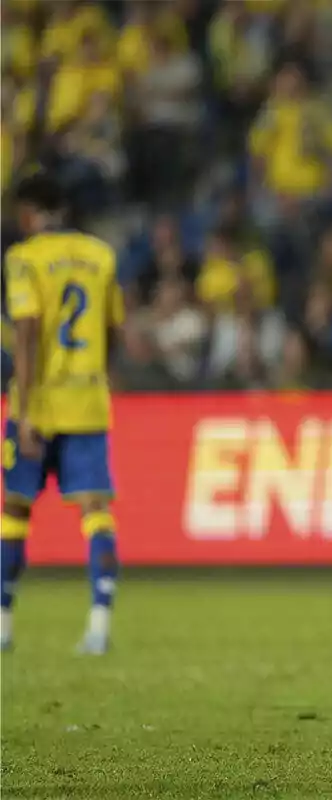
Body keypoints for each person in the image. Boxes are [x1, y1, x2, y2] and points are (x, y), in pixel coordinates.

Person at [1, 172, 124, 654]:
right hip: (89, 400)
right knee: (97, 511)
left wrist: (25, 410)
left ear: (30, 213)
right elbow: (113, 327)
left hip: (41, 402)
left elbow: (27, 332)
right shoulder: (101, 256)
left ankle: (5, 626)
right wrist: (99, 374)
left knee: (14, 508)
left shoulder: (25, 259)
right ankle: (99, 626)